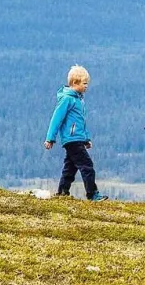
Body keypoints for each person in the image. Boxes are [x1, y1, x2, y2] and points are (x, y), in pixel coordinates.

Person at [45, 65, 106, 201]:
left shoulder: (79, 100)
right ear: (74, 83)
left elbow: (81, 122)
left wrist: (86, 138)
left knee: (70, 167)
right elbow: (56, 119)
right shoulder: (67, 99)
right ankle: (92, 194)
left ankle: (62, 192)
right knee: (87, 166)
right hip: (71, 139)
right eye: (84, 84)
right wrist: (50, 138)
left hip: (77, 138)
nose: (86, 87)